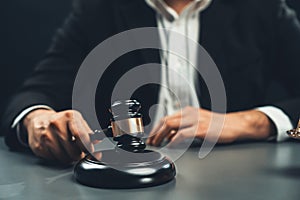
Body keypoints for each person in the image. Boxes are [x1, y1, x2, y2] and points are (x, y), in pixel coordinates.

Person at [1, 0, 300, 164]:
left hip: (239, 176)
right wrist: (38, 123)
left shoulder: (263, 8)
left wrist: (249, 122)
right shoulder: (98, 10)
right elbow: (33, 94)